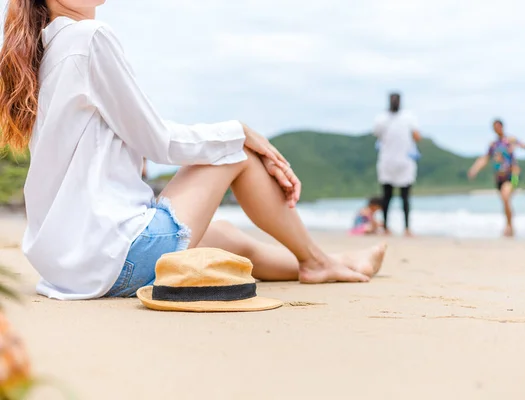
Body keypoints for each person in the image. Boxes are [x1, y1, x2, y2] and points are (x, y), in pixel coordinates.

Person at [0, 0, 387, 300]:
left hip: (68, 269)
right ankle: (316, 262)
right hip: (117, 260)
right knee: (238, 155)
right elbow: (158, 142)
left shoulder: (47, 48)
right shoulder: (89, 38)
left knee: (224, 235)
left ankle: (328, 261)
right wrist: (241, 132)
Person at [468, 119, 525, 237]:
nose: (497, 129)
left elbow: (523, 145)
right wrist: (474, 169)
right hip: (499, 178)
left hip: (512, 176)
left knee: (506, 197)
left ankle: (509, 226)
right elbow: (485, 158)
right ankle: (510, 225)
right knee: (505, 202)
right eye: (495, 127)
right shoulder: (493, 145)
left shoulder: (509, 140)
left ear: (502, 127)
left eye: (498, 126)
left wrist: (518, 145)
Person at [373, 92, 422, 237]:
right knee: (387, 197)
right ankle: (386, 227)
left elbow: (417, 136)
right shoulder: (381, 118)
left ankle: (407, 228)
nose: (394, 102)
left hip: (405, 163)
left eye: (396, 100)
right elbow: (376, 134)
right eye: (393, 99)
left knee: (405, 197)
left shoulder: (409, 117)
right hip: (387, 162)